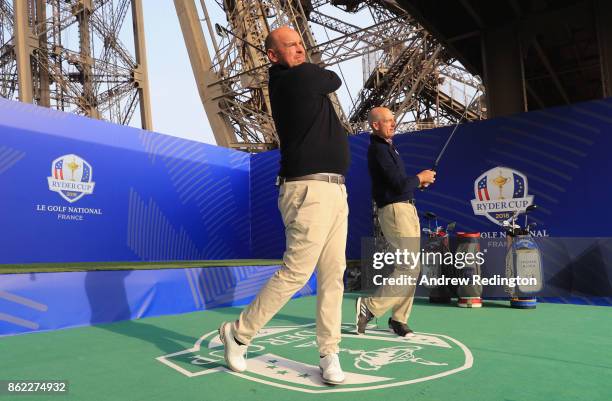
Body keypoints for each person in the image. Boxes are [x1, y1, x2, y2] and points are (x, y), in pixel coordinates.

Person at [217, 26, 350, 385]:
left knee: (332, 276)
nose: (299, 49)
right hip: (308, 190)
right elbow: (333, 78)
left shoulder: (302, 77)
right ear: (273, 56)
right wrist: (309, 66)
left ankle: (329, 351)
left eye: (300, 44)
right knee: (296, 272)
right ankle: (239, 333)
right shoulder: (294, 80)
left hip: (335, 190)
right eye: (289, 46)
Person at [356, 106, 436, 337]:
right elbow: (399, 185)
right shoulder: (378, 150)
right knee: (408, 266)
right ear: (375, 125)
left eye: (393, 120)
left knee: (412, 267)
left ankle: (399, 319)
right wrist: (420, 177)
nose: (394, 124)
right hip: (395, 211)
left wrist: (418, 183)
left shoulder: (389, 148)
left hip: (405, 209)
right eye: (388, 120)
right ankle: (369, 307)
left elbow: (399, 184)